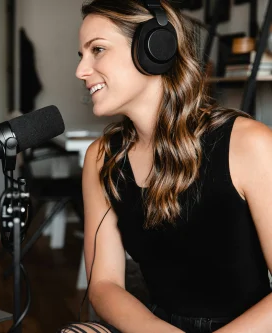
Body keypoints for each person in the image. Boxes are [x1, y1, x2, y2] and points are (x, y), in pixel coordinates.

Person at [59, 0, 272, 332]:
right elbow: (103, 284)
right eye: (81, 55)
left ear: (154, 48)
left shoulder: (249, 144)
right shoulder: (102, 158)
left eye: (97, 50)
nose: (81, 71)